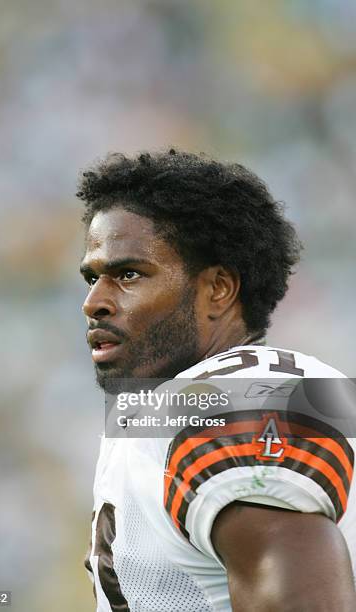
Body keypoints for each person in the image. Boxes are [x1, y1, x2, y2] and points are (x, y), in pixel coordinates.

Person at [77, 149, 356, 611]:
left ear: (218, 289)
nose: (94, 302)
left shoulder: (233, 402)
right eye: (92, 278)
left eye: (128, 274)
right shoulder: (158, 411)